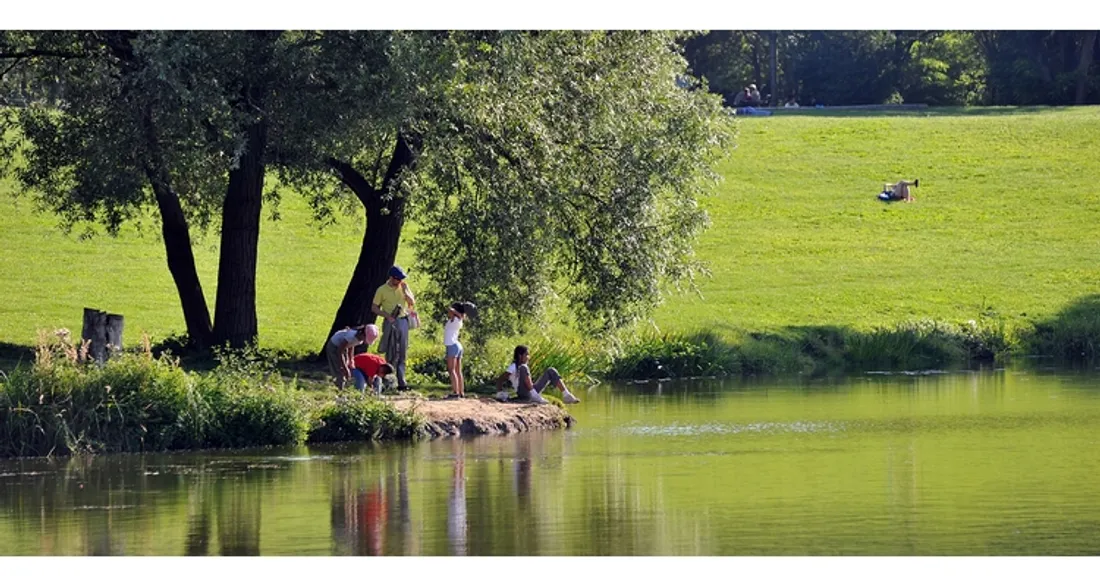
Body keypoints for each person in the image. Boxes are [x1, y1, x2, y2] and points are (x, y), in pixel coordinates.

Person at [372, 265, 416, 391]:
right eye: (397, 279)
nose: (399, 281)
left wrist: (406, 292)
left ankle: (402, 382)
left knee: (402, 352)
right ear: (391, 278)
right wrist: (386, 315)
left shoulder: (404, 287)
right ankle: (388, 382)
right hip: (390, 321)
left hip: (402, 321)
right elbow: (374, 307)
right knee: (390, 352)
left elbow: (412, 303)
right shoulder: (381, 290)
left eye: (401, 279)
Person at [496, 345, 580, 404]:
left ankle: (567, 395)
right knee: (523, 368)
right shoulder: (514, 366)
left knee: (551, 370)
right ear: (520, 355)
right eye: (526, 354)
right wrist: (500, 392)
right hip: (523, 392)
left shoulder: (523, 365)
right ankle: (535, 396)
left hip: (531, 390)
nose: (528, 357)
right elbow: (500, 379)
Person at [326, 324, 378, 390]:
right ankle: (339, 387)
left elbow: (351, 345)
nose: (365, 342)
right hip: (334, 347)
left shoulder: (360, 339)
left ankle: (344, 385)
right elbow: (339, 351)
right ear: (363, 334)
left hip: (343, 347)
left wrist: (351, 359)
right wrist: (344, 367)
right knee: (339, 369)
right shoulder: (351, 335)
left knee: (347, 365)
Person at [443, 301, 476, 399]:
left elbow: (450, 309)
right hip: (457, 345)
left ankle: (455, 392)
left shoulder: (455, 319)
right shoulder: (459, 320)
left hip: (452, 345)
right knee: (458, 371)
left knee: (452, 370)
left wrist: (455, 310)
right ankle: (461, 392)